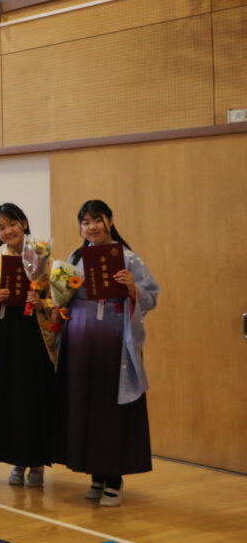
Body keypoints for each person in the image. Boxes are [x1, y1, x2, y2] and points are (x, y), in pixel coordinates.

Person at [55, 199, 159, 507]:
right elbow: (63, 295)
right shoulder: (75, 257)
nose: (92, 227)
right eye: (85, 222)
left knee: (109, 406)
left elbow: (152, 296)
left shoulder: (128, 257)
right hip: (79, 340)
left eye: (97, 220)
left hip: (114, 341)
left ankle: (114, 476)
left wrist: (132, 288)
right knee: (85, 403)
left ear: (110, 220)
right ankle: (95, 473)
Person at [0, 203, 58, 488]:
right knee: (11, 399)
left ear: (24, 223)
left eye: (12, 224)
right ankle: (17, 461)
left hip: (35, 337)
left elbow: (62, 299)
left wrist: (43, 303)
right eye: (1, 227)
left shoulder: (44, 258)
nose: (7, 231)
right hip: (5, 337)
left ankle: (37, 463)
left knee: (34, 398)